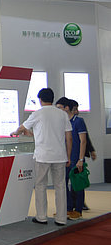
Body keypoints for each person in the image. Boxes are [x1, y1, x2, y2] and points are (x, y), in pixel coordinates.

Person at [11, 88, 72, 226]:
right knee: (61, 187)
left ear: (40, 99)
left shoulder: (37, 113)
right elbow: (69, 137)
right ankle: (61, 218)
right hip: (60, 156)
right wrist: (68, 156)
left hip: (42, 156)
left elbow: (22, 128)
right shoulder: (62, 114)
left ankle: (41, 217)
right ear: (52, 98)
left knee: (40, 186)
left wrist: (14, 132)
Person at [59, 98, 87, 220]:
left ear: (66, 108)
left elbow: (83, 141)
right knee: (63, 184)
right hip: (65, 158)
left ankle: (78, 210)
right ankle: (69, 208)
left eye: (60, 107)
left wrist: (81, 159)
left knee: (78, 185)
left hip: (76, 158)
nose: (58, 110)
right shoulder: (62, 122)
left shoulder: (78, 121)